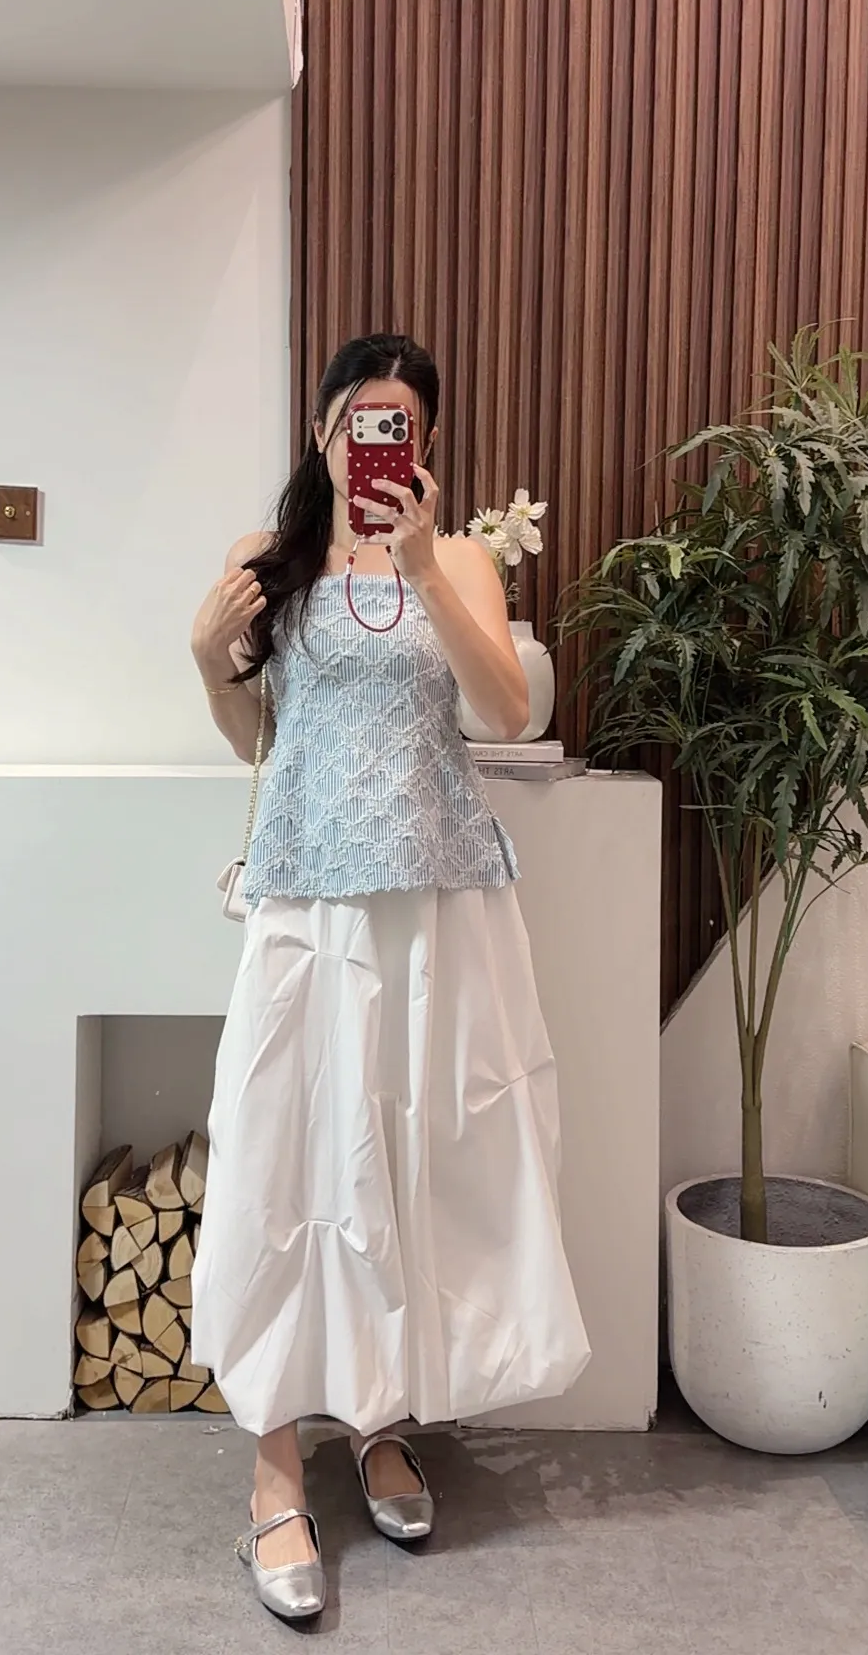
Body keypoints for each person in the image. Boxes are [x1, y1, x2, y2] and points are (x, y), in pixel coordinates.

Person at [189, 334, 589, 1623]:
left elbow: (507, 714)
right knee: (285, 1159)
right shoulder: (267, 563)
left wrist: (422, 568)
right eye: (360, 419)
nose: (378, 442)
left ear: (426, 444)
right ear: (322, 431)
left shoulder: (457, 558)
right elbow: (256, 736)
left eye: (400, 423)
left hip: (434, 899)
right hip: (308, 894)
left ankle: (380, 1418)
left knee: (411, 1161)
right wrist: (206, 659)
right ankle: (272, 1466)